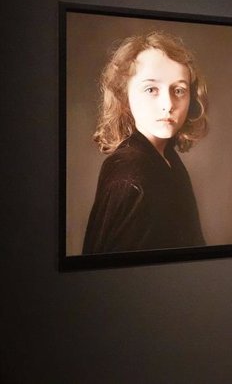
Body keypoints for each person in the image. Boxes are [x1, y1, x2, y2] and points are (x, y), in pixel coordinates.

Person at [82, 31, 208, 254]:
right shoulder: (131, 172)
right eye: (151, 89)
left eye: (179, 90)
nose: (168, 104)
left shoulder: (166, 157)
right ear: (124, 97)